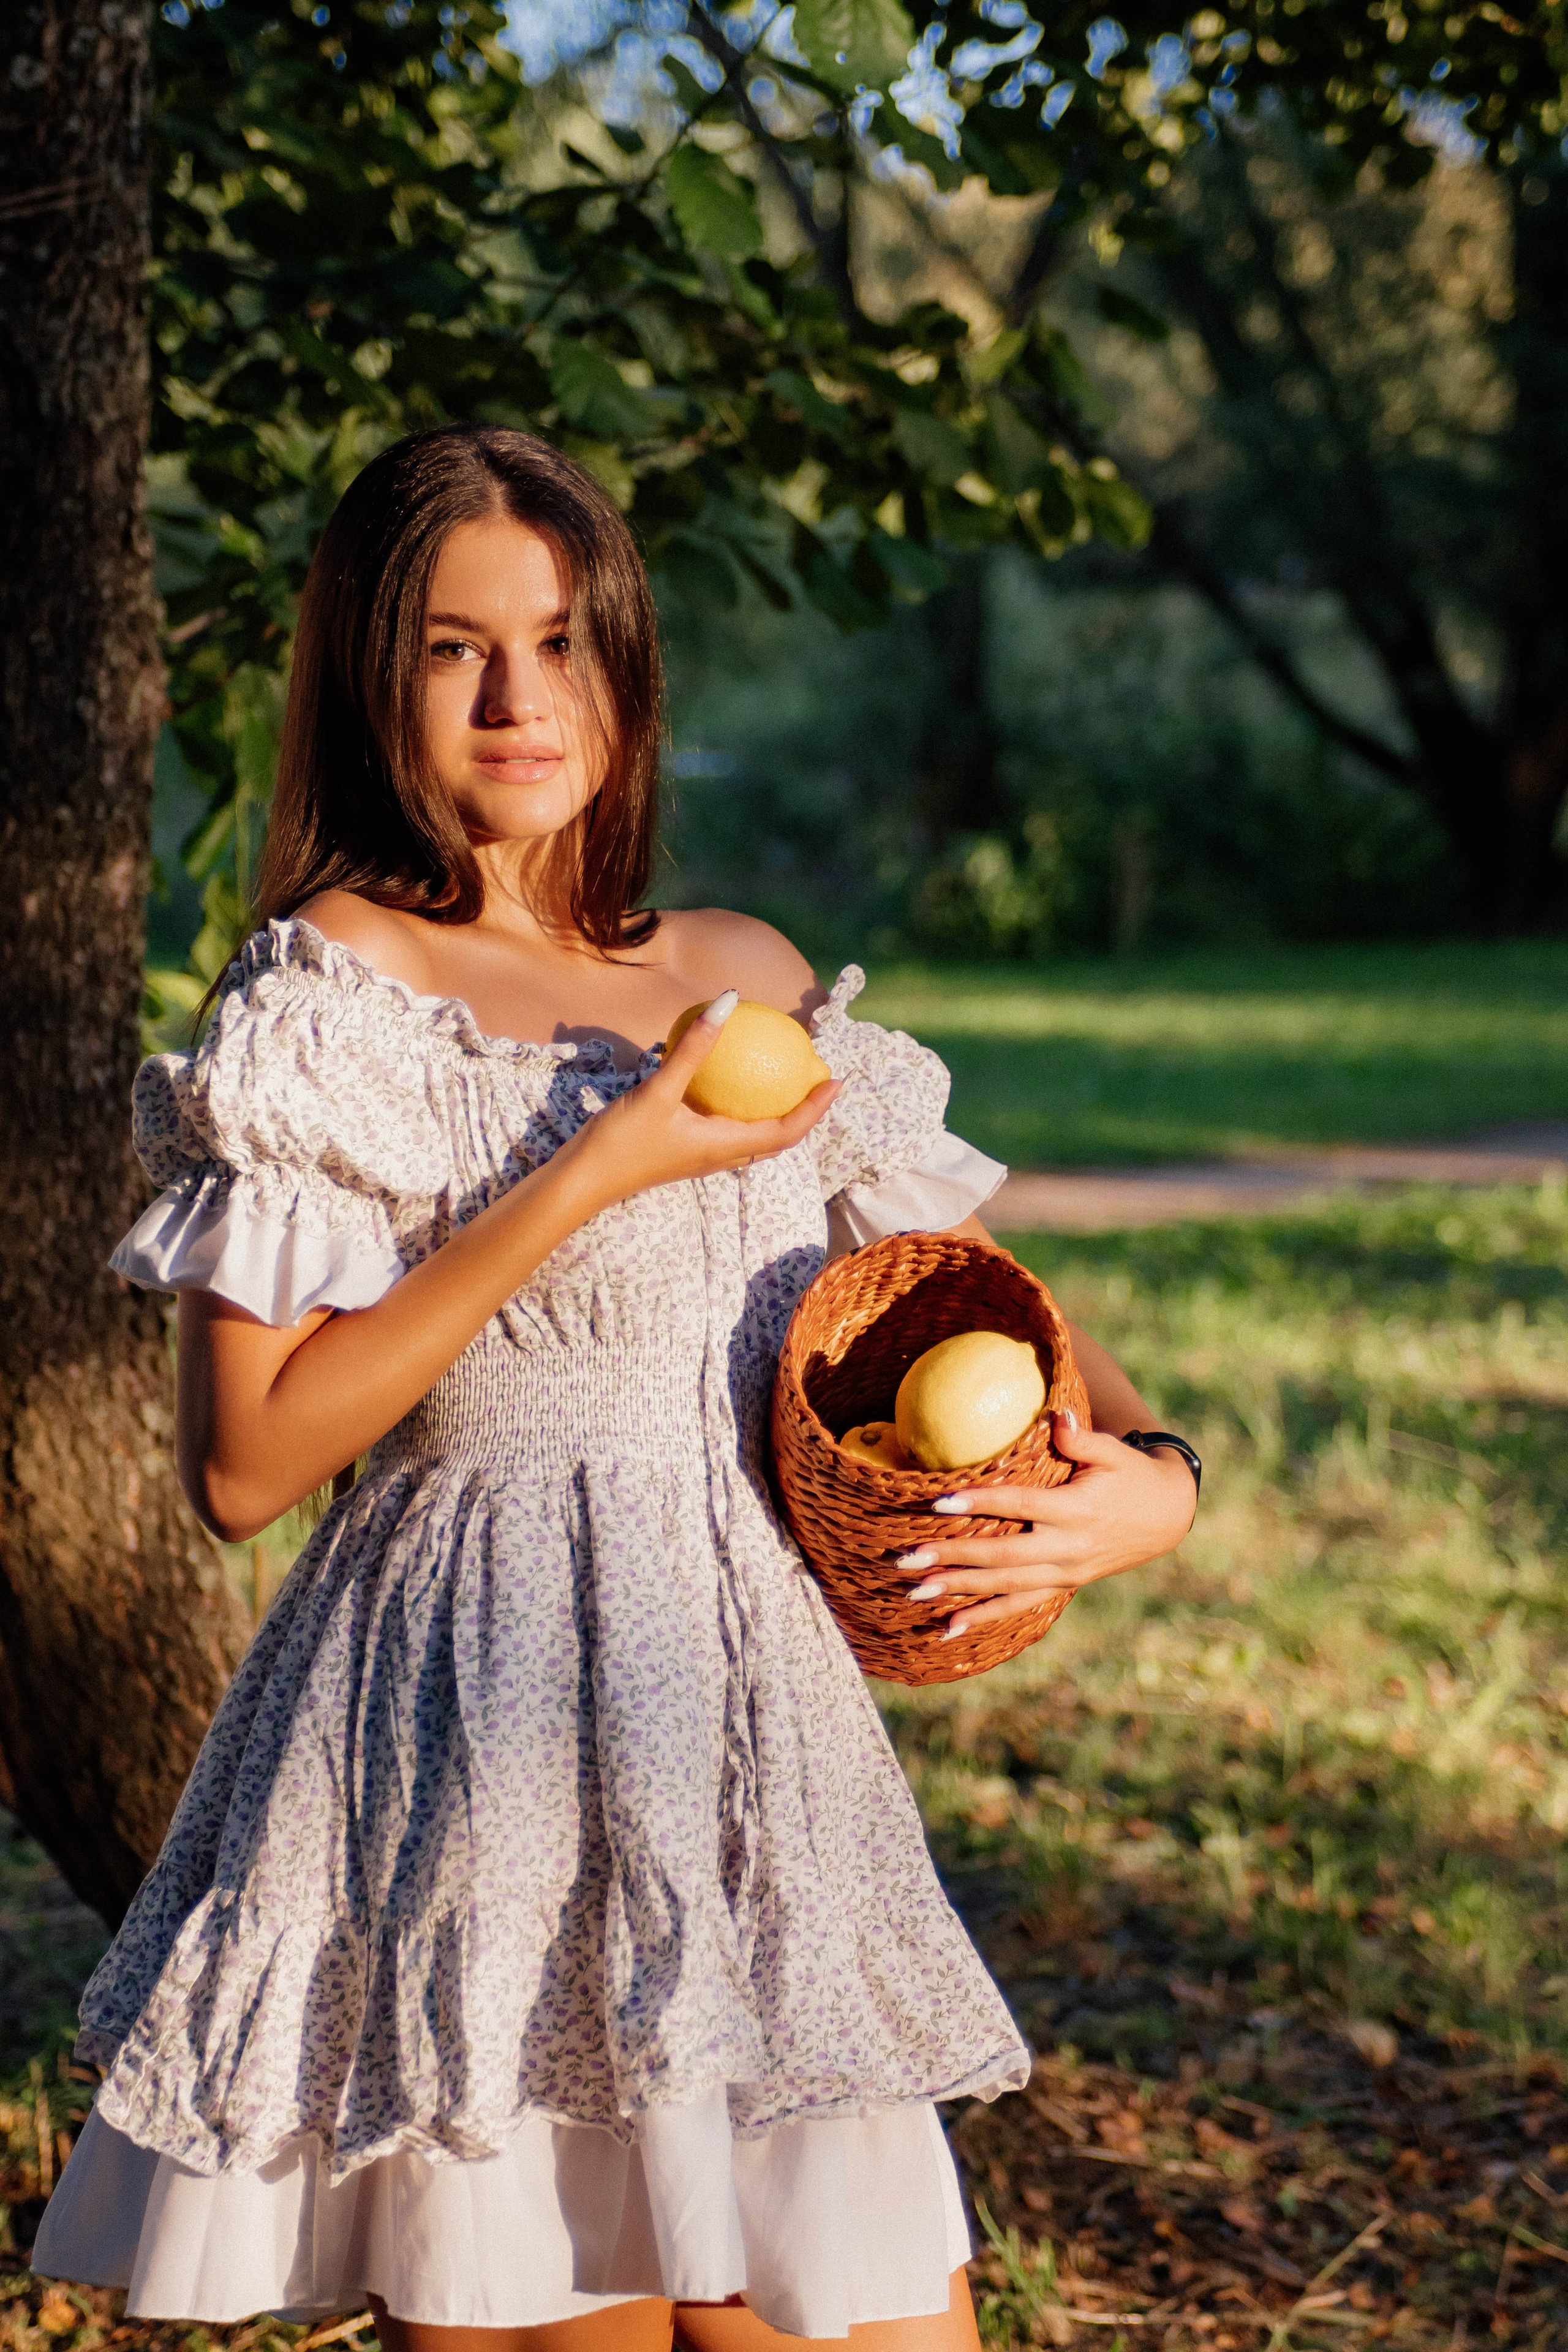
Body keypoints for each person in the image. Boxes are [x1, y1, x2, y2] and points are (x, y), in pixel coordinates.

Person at [33, 426, 1198, 2350]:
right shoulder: (324, 996)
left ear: (624, 665)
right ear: (367, 674)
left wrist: (1153, 1475)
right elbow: (247, 1466)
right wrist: (598, 1167)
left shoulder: (742, 977)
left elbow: (978, 1318)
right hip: (475, 1764)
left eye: (563, 639)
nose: (519, 698)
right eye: (451, 646)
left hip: (748, 1762)